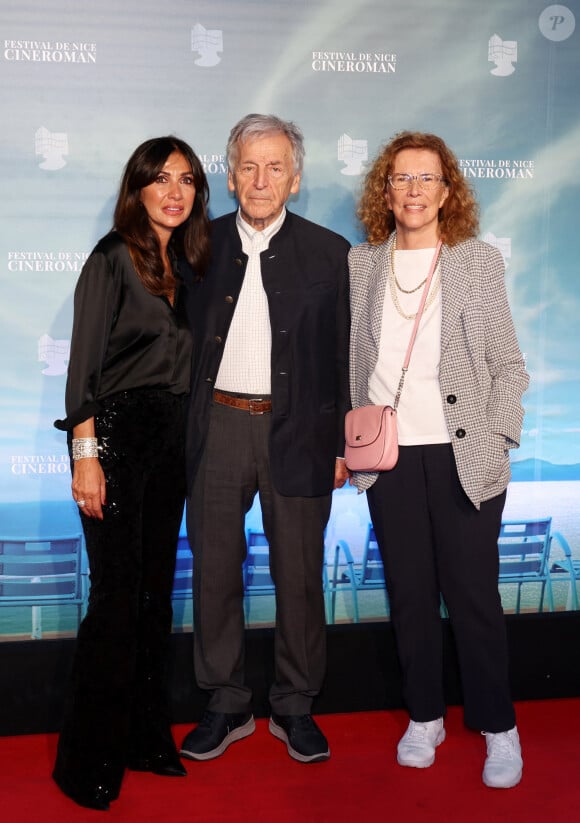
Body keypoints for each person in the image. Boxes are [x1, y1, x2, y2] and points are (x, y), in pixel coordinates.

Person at [348, 131, 529, 788]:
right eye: (401, 178)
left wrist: (499, 435)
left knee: (474, 595)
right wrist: (351, 441)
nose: (414, 190)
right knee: (412, 596)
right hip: (390, 459)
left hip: (464, 456)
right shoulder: (361, 264)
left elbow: (509, 365)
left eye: (427, 178)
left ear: (447, 191)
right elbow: (352, 364)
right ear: (386, 191)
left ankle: (498, 725)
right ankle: (424, 715)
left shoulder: (476, 262)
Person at [180, 113, 350, 765]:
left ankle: (296, 703)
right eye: (248, 165)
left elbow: (343, 358)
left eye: (275, 166)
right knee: (214, 569)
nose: (261, 178)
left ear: (296, 178)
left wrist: (338, 442)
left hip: (301, 430)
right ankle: (224, 700)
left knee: (300, 575)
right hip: (217, 426)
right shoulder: (198, 245)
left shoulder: (331, 252)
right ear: (229, 176)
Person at [52, 136, 210, 810]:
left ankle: (146, 738)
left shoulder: (195, 264)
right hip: (115, 439)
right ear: (138, 187)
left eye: (188, 180)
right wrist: (87, 462)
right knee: (116, 601)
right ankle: (87, 759)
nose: (175, 191)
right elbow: (82, 371)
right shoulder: (112, 258)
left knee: (153, 598)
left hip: (172, 443)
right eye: (161, 178)